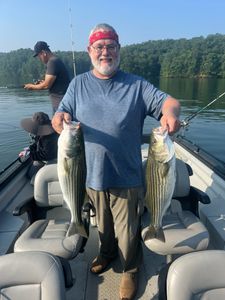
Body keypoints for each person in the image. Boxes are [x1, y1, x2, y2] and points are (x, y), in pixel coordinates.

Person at [52, 23, 181, 300]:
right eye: (99, 46)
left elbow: (168, 102)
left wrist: (169, 114)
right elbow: (61, 113)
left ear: (119, 49)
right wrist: (58, 120)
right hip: (90, 175)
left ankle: (131, 269)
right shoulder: (77, 84)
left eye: (111, 46)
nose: (105, 52)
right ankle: (106, 253)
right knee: (103, 228)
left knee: (128, 232)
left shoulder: (136, 85)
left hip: (128, 176)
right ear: (89, 51)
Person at [24, 41, 71, 114]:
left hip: (61, 105)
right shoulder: (55, 60)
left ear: (43, 53)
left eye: (39, 55)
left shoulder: (52, 62)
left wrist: (32, 87)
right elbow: (49, 83)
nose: (39, 58)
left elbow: (46, 85)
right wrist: (43, 82)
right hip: (62, 104)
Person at [19, 111, 59, 180]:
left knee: (34, 180)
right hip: (43, 158)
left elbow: (46, 155)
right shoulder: (41, 133)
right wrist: (30, 149)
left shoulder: (49, 138)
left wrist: (29, 154)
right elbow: (38, 143)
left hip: (53, 159)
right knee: (29, 175)